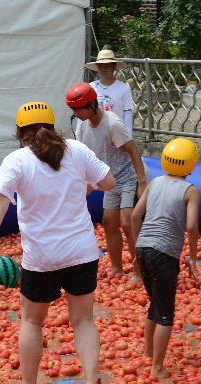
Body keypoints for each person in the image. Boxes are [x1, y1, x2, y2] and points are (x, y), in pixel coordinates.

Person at [0, 101, 116, 384]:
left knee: (32, 322)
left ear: (20, 133)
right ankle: (90, 380)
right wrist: (86, 184)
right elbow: (109, 182)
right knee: (84, 320)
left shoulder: (17, 160)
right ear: (53, 125)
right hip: (82, 252)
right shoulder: (75, 150)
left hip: (42, 257)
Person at [131, 138, 201, 379]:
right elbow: (191, 226)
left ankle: (149, 353)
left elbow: (134, 216)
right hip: (165, 253)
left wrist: (136, 250)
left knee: (155, 303)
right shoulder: (190, 191)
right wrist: (192, 257)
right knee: (165, 314)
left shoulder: (154, 183)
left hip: (143, 249)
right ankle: (157, 367)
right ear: (192, 164)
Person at [67, 82, 147, 275]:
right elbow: (81, 155)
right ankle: (117, 268)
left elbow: (133, 151)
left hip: (128, 177)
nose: (76, 114)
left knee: (128, 223)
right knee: (109, 222)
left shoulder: (112, 123)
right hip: (110, 180)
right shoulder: (83, 127)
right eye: (74, 110)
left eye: (79, 110)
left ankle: (139, 271)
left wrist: (142, 182)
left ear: (91, 105)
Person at [85, 47, 134, 136]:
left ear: (114, 67)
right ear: (97, 67)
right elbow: (86, 112)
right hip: (95, 133)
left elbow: (127, 114)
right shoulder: (91, 87)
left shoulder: (124, 88)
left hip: (116, 133)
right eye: (101, 66)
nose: (104, 69)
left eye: (107, 65)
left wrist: (128, 136)